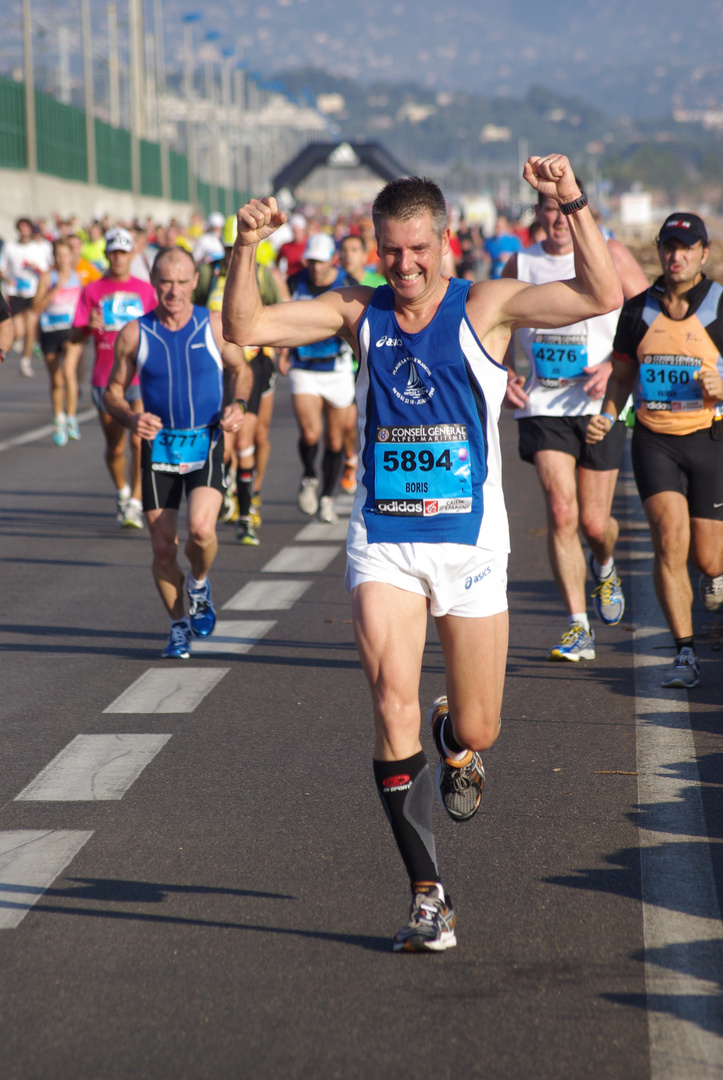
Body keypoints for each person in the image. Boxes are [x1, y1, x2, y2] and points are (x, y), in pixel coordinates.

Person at [222, 155, 622, 951]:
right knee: (386, 701)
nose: (403, 267)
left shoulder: (488, 305)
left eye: (417, 251)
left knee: (479, 724)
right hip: (385, 542)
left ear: (443, 245)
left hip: (470, 548)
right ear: (375, 248)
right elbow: (246, 329)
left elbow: (602, 294)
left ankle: (452, 741)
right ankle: (426, 894)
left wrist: (568, 200)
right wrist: (244, 250)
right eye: (389, 252)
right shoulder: (355, 310)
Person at [502, 189, 648, 660]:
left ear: (581, 212)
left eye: (565, 210)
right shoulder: (520, 265)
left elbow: (648, 319)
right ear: (540, 216)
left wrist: (615, 367)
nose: (558, 219)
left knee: (593, 521)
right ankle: (577, 625)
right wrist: (503, 370)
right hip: (543, 403)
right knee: (562, 513)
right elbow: (495, 325)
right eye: (549, 210)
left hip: (601, 402)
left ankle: (604, 565)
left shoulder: (612, 253)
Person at [587, 212, 723, 688]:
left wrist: (721, 383)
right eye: (669, 246)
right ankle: (684, 652)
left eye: (686, 247)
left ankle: (713, 575)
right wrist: (608, 412)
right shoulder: (639, 309)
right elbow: (622, 375)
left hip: (709, 438)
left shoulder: (720, 307)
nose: (676, 255)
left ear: (704, 253)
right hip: (654, 439)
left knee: (710, 559)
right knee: (669, 538)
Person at [104, 246, 251, 659]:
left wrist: (238, 405)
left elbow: (242, 370)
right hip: (159, 446)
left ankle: (199, 585)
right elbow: (113, 391)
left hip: (205, 440)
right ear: (153, 282)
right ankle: (177, 627)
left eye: (183, 281)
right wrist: (131, 420)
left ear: (194, 283)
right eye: (166, 281)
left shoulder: (215, 325)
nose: (174, 291)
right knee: (163, 547)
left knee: (202, 530)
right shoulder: (135, 333)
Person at [65, 228, 157, 528]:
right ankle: (122, 492)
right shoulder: (92, 290)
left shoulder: (145, 290)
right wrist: (88, 326)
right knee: (116, 448)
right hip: (106, 381)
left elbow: (161, 330)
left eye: (123, 252)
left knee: (139, 442)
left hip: (140, 378)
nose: (118, 257)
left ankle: (135, 502)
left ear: (132, 254)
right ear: (106, 254)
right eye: (113, 252)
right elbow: (75, 335)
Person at [207, 215, 287, 545]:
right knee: (222, 443)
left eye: (237, 247)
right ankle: (227, 492)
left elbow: (284, 311)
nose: (232, 254)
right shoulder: (207, 275)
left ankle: (246, 509)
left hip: (253, 366)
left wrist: (276, 351)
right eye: (228, 248)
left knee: (247, 439)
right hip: (216, 367)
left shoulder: (263, 275)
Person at [284, 233, 358, 524]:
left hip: (337, 368)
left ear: (333, 260)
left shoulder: (348, 284)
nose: (315, 268)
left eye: (321, 262)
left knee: (335, 440)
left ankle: (327, 497)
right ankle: (310, 477)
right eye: (311, 261)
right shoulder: (294, 282)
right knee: (311, 433)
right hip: (303, 366)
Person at [33, 239, 83, 445]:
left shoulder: (78, 277)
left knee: (69, 372)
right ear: (54, 258)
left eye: (66, 255)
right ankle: (59, 418)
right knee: (56, 379)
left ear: (72, 257)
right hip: (49, 330)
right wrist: (54, 290)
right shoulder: (48, 277)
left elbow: (83, 305)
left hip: (71, 331)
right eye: (59, 256)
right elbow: (36, 307)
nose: (63, 260)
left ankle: (71, 417)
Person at [0, 217, 52, 377]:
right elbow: (1, 268)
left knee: (30, 327)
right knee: (18, 329)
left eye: (26, 228)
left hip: (34, 293)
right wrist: (8, 278)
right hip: (15, 292)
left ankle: (25, 361)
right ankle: (19, 343)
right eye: (20, 228)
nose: (24, 231)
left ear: (31, 229)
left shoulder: (39, 248)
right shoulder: (10, 247)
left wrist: (35, 268)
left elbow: (47, 271)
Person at [483, 214, 522, 280]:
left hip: (509, 278)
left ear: (506, 227)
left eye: (501, 227)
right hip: (494, 277)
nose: (498, 229)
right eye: (497, 226)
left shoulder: (513, 240)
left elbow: (521, 255)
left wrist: (509, 256)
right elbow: (484, 257)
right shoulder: (489, 242)